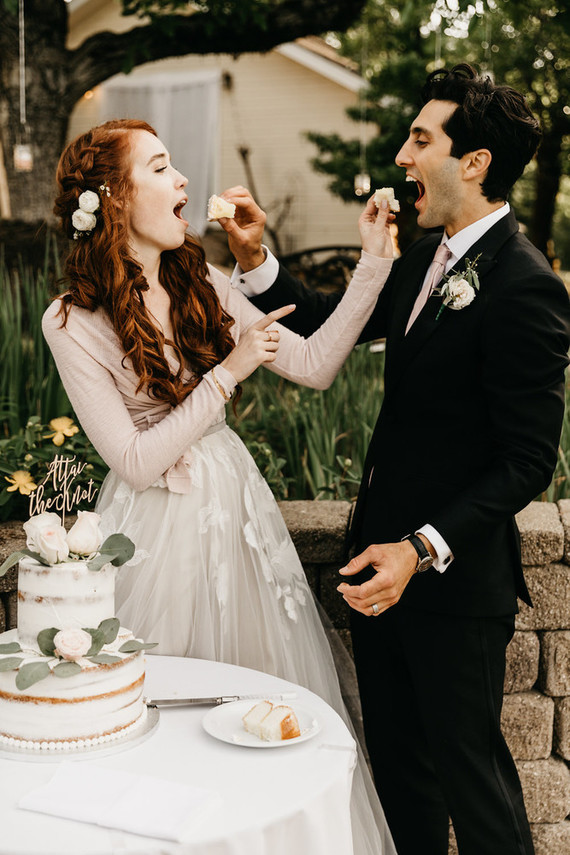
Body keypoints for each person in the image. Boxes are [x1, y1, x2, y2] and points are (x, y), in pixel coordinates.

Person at [222, 64, 570, 855]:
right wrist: (255, 258)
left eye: (421, 139)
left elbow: (528, 462)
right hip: (374, 574)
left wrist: (421, 548)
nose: (403, 156)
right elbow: (330, 321)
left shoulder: (526, 285)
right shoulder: (422, 259)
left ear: (474, 162)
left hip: (450, 585)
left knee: (474, 787)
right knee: (401, 785)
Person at [42, 118, 398, 855]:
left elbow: (315, 363)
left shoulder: (199, 277)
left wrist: (371, 263)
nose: (183, 184)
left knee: (259, 713)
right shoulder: (70, 321)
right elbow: (135, 460)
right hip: (153, 529)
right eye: (164, 168)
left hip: (236, 515)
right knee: (158, 727)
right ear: (113, 197)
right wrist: (228, 372)